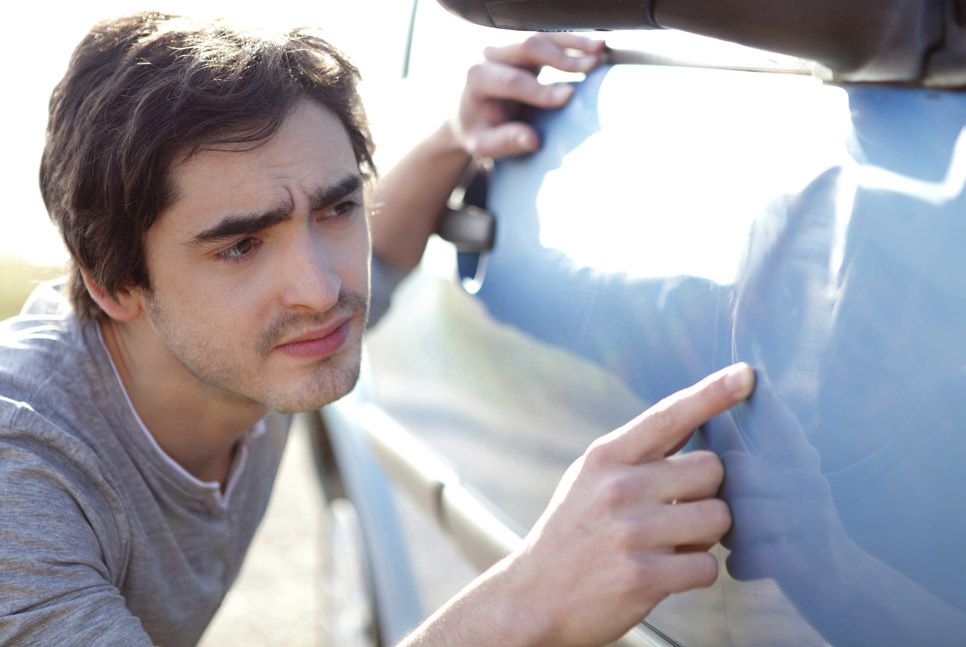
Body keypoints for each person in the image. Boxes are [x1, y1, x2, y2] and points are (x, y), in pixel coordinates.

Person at [0, 12, 754, 646]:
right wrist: (530, 600)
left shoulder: (247, 347)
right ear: (114, 283)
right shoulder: (23, 476)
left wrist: (456, 135)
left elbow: (382, 263)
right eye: (240, 245)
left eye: (336, 208)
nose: (323, 289)